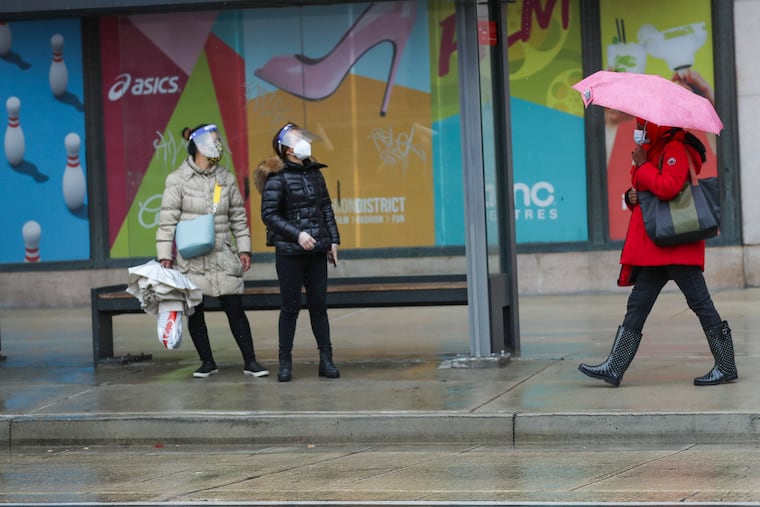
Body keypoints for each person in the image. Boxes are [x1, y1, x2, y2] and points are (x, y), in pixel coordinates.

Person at [578, 117, 738, 387]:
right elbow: (650, 192)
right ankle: (614, 368)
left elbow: (668, 188)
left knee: (701, 304)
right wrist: (633, 194)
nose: (638, 132)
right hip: (658, 248)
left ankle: (726, 366)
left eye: (642, 126)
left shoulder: (674, 148)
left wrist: (641, 165)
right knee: (637, 305)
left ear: (656, 126)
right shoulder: (656, 149)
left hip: (676, 247)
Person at [156, 123, 269, 379]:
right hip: (191, 258)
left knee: (235, 307)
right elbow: (167, 220)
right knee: (195, 311)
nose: (218, 145)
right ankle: (207, 362)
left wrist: (244, 249)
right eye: (213, 140)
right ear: (198, 145)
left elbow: (238, 217)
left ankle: (250, 361)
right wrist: (165, 255)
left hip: (222, 254)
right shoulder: (177, 180)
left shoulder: (225, 178)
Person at [253, 122, 341, 382]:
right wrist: (297, 235)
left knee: (319, 307)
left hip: (316, 252)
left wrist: (333, 240)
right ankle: (285, 362)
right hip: (290, 253)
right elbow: (269, 215)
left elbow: (326, 207)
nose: (304, 141)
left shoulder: (314, 172)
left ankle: (326, 361)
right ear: (287, 148)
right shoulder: (276, 177)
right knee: (290, 308)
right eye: (297, 138)